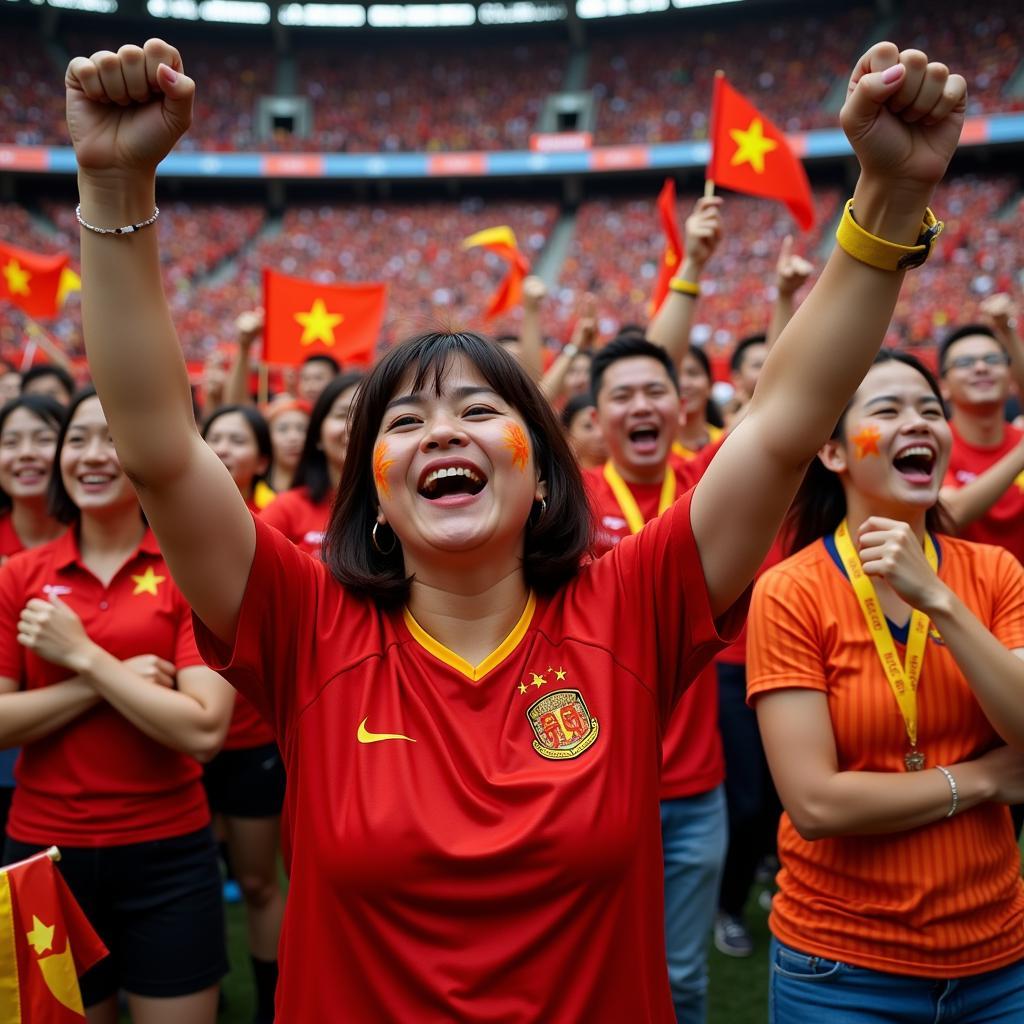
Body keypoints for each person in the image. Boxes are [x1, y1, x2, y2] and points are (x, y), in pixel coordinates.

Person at [66, 37, 966, 1020]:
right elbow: (158, 445)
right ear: (369, 490)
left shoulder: (631, 604)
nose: (441, 429)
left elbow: (787, 420)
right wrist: (114, 188)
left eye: (477, 410)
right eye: (403, 420)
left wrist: (883, 201)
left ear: (541, 472)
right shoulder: (302, 619)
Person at [748, 351, 1024, 1022]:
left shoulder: (994, 573)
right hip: (841, 968)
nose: (918, 423)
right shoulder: (790, 592)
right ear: (834, 452)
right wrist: (984, 781)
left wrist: (941, 601)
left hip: (997, 961)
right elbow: (816, 804)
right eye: (888, 410)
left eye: (931, 410)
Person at [0, 388, 235, 1024]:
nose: (92, 455)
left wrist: (83, 656)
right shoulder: (17, 577)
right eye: (76, 439)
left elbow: (205, 727)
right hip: (42, 856)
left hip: (170, 853)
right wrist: (103, 680)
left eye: (113, 437)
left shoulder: (194, 573)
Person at [586, 335, 726, 1024]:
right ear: (594, 415)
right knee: (586, 975)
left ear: (684, 402)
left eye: (655, 390)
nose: (641, 405)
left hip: (693, 792)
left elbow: (781, 419)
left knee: (684, 978)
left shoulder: (711, 485)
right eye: (621, 394)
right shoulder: (567, 501)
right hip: (589, 788)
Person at [201, 402, 286, 1024]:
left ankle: (269, 1004)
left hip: (255, 744)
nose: (225, 448)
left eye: (239, 438)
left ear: (262, 457)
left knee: (259, 884)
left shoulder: (274, 528)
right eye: (215, 437)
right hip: (175, 752)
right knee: (194, 879)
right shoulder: (172, 529)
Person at [0, 394, 66, 840]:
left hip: (74, 760)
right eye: (10, 441)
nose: (26, 453)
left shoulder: (106, 540)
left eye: (43, 439)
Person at [938, 315, 1024, 563]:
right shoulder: (932, 443)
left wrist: (1007, 332)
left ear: (1011, 381)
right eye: (965, 362)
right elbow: (949, 515)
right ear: (943, 386)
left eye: (992, 360)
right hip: (962, 596)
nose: (981, 368)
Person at [260, 372, 362, 556]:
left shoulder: (400, 508)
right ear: (317, 435)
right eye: (342, 414)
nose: (354, 425)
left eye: (366, 414)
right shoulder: (286, 508)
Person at [202, 404, 274, 513]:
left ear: (261, 463)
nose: (221, 450)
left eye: (237, 441)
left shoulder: (273, 514)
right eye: (214, 439)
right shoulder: (179, 508)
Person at [674, 346, 724, 460]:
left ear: (711, 385)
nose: (684, 384)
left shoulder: (726, 442)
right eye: (675, 375)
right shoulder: (656, 450)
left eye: (693, 373)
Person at [264, 399, 310, 495]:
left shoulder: (321, 492)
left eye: (302, 429)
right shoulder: (252, 488)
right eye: (283, 429)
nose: (293, 437)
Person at [561, 394, 606, 471]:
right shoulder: (561, 478)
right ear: (567, 434)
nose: (600, 434)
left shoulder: (631, 475)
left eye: (605, 425)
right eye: (588, 426)